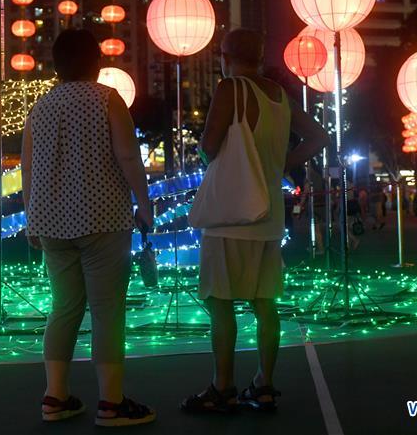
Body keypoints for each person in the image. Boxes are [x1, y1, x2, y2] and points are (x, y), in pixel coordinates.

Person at [181, 29, 329, 413]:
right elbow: (318, 137)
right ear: (261, 56)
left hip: (229, 215)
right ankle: (264, 383)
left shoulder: (231, 88)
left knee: (221, 303)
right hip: (268, 215)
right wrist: (282, 163)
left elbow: (210, 147)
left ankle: (222, 386)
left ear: (225, 56)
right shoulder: (280, 95)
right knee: (265, 304)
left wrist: (202, 151)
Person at [22, 29, 155, 427]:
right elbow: (128, 155)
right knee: (107, 310)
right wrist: (144, 202)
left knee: (63, 308)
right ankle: (111, 403)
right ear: (96, 61)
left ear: (56, 65)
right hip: (103, 218)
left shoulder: (40, 107)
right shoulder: (106, 99)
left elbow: (28, 168)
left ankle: (55, 397)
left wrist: (33, 214)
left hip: (51, 223)